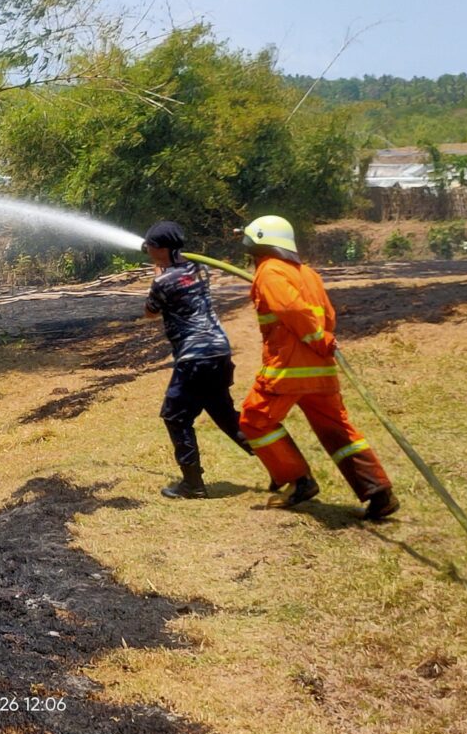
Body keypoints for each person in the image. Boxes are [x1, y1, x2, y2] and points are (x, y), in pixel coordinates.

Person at [236, 215, 399, 519]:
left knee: (254, 419)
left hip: (289, 369)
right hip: (320, 369)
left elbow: (293, 310)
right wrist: (321, 340)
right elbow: (329, 315)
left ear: (258, 242)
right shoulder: (307, 273)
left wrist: (315, 338)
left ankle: (298, 481)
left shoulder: (269, 271)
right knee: (336, 428)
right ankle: (378, 492)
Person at [142, 220, 254, 499]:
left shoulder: (162, 281)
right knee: (227, 417)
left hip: (194, 357)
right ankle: (286, 470)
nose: (147, 249)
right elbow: (182, 280)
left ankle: (193, 484)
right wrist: (166, 268)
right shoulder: (200, 269)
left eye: (151, 246)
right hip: (218, 351)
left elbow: (150, 312)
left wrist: (159, 275)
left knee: (175, 416)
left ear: (163, 249)